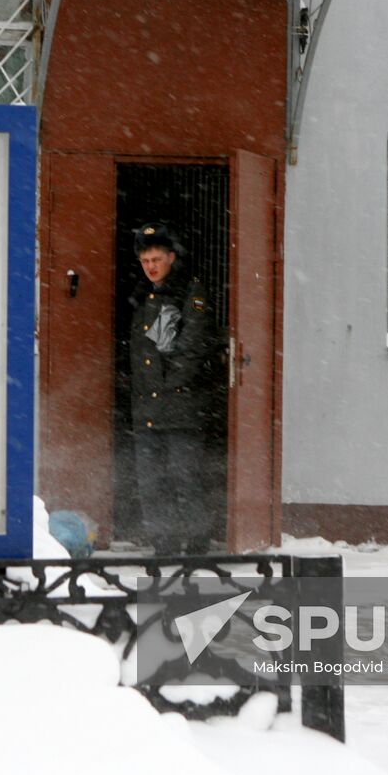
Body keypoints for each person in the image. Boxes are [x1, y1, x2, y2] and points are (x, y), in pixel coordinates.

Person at [129, 222, 214, 555]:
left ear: (172, 258)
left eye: (157, 259)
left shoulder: (189, 293)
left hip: (180, 406)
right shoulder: (143, 296)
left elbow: (191, 346)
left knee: (185, 478)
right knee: (150, 481)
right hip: (146, 408)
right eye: (145, 260)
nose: (151, 266)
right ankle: (162, 543)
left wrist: (166, 386)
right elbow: (141, 352)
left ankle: (197, 543)